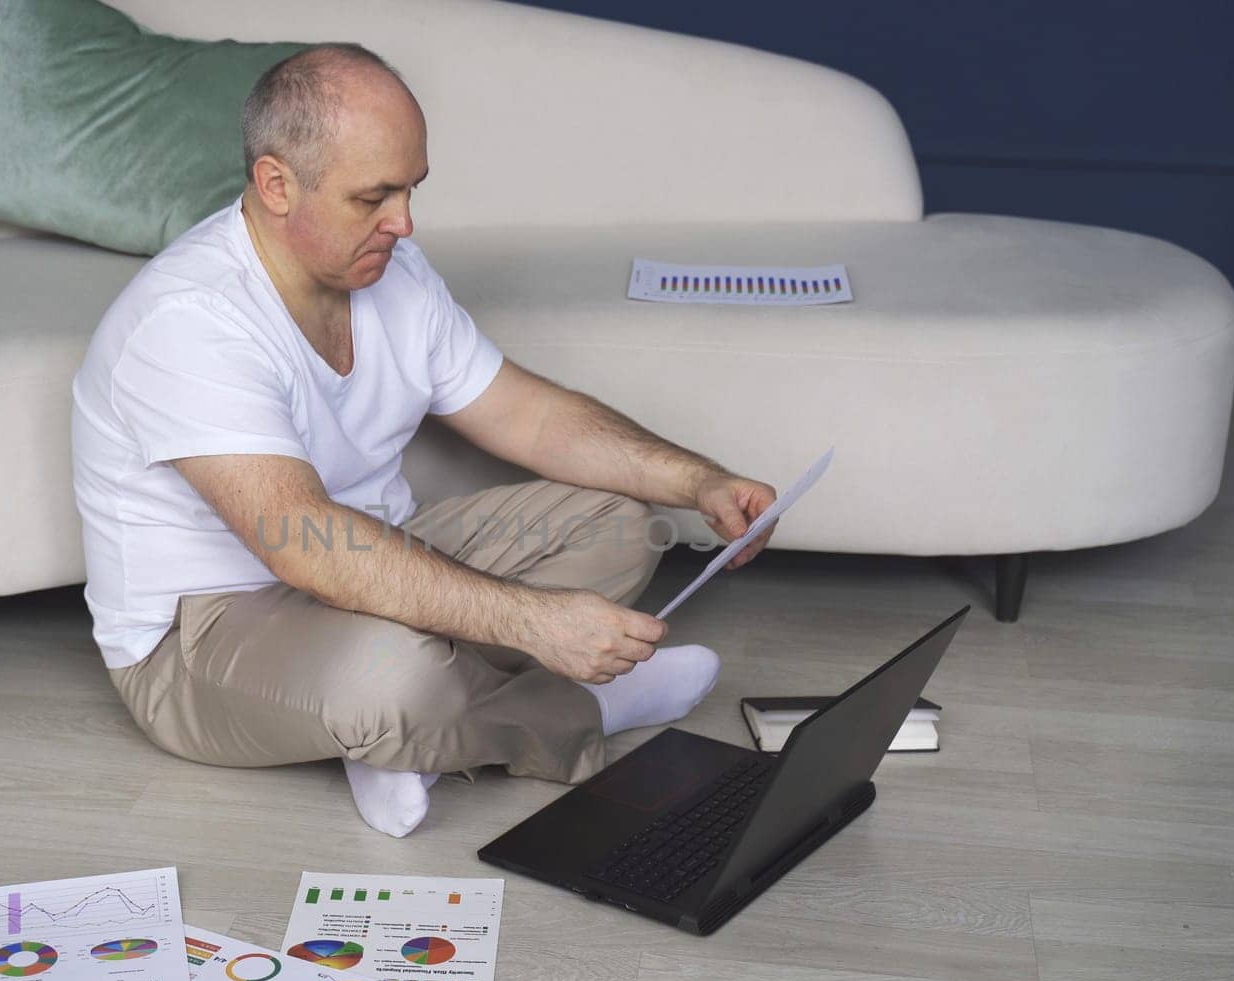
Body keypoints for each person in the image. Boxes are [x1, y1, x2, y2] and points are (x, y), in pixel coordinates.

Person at [71, 43, 777, 837]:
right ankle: (573, 709)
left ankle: (392, 734)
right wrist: (533, 624)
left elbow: (529, 417)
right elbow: (302, 549)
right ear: (276, 185)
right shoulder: (191, 321)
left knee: (623, 521)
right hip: (202, 632)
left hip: (372, 551)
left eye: (410, 190)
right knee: (399, 680)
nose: (403, 223)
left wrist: (697, 482)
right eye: (373, 196)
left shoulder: (389, 269)